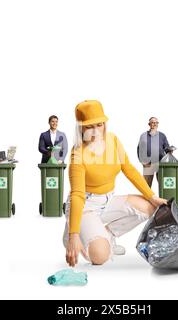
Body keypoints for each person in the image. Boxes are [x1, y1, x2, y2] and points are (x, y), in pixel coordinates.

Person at [64, 100, 167, 267]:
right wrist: (74, 235)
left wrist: (152, 197)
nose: (96, 131)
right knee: (100, 257)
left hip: (108, 200)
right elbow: (77, 195)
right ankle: (75, 233)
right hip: (85, 206)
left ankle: (107, 235)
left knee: (151, 208)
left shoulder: (112, 140)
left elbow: (129, 169)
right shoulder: (78, 155)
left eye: (99, 125)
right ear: (81, 127)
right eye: (89, 126)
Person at [137, 117, 170, 187]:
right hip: (148, 164)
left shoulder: (162, 135)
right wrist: (143, 162)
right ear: (149, 124)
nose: (154, 124)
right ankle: (146, 198)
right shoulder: (143, 136)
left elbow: (166, 147)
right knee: (146, 186)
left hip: (160, 163)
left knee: (163, 185)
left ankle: (163, 198)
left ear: (158, 124)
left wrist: (170, 150)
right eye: (152, 122)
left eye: (156, 123)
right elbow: (139, 149)